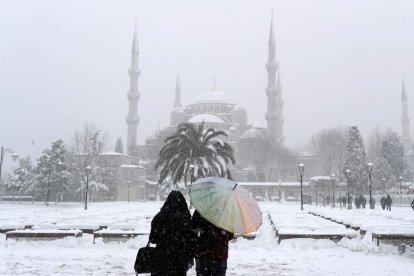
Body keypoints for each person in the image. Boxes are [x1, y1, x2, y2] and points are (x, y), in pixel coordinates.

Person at [149, 191, 197, 275]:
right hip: (180, 261)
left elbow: (153, 239)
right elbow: (191, 240)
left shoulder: (159, 217)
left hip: (161, 260)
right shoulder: (186, 218)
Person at [192, 210, 234, 276]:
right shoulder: (226, 212)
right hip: (220, 254)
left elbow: (193, 231)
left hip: (204, 254)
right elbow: (230, 235)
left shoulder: (202, 209)